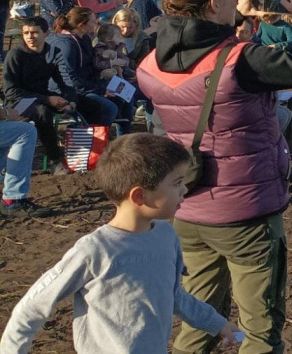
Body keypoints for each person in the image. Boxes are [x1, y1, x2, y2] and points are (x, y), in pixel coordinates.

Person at [137, 0, 292, 353]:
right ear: (213, 3)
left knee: (199, 320)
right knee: (260, 330)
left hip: (185, 207)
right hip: (245, 214)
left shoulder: (149, 63)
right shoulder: (246, 60)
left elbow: (199, 61)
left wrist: (232, 20)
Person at [3, 133, 238, 353]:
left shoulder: (166, 235)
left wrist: (217, 324)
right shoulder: (95, 250)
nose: (184, 189)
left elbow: (174, 294)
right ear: (139, 196)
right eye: (176, 183)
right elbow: (32, 306)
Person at [4, 16, 79, 169]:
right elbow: (10, 91)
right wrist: (47, 99)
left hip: (43, 96)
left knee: (90, 103)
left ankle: (89, 152)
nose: (30, 37)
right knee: (42, 112)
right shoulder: (15, 55)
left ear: (46, 33)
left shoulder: (53, 52)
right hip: (18, 100)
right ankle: (55, 160)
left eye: (34, 32)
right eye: (26, 33)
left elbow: (65, 80)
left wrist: (71, 100)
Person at [48, 7, 132, 128]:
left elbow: (93, 64)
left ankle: (124, 139)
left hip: (89, 84)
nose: (96, 23)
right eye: (93, 21)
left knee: (126, 94)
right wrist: (100, 90)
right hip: (68, 91)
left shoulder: (85, 38)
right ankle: (92, 139)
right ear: (82, 25)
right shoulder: (66, 45)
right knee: (108, 108)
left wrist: (110, 68)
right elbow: (69, 78)